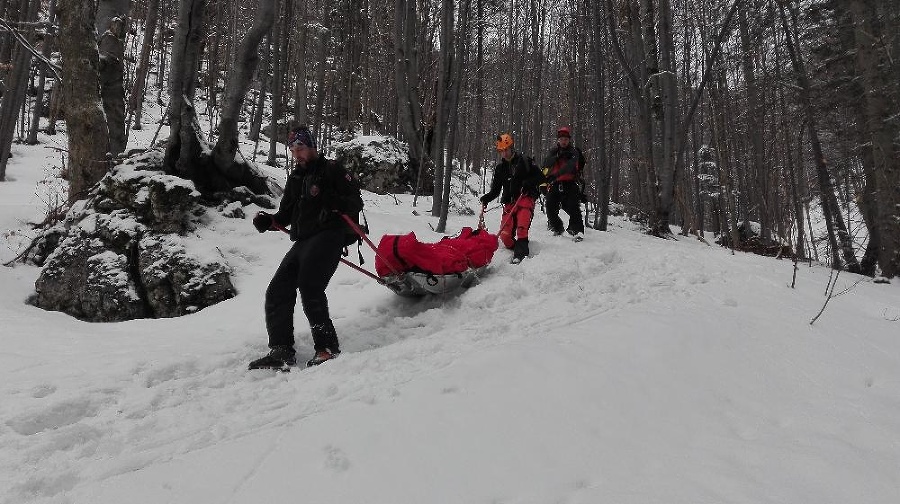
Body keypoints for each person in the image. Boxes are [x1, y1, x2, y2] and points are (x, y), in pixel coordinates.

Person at [248, 125, 364, 370]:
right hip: (303, 240)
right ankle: (281, 350)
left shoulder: (332, 170)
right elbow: (286, 214)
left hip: (329, 236)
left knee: (310, 286)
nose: (296, 153)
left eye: (300, 148)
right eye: (292, 149)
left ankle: (326, 348)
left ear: (312, 147)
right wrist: (270, 221)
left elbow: (356, 202)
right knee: (278, 290)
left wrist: (334, 201)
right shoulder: (296, 177)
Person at [480, 133, 543, 264]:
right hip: (509, 202)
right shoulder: (500, 169)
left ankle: (521, 254)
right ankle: (518, 246)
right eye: (501, 151)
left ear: (511, 148)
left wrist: (528, 183)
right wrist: (486, 198)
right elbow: (496, 191)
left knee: (522, 226)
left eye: (506, 150)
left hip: (525, 198)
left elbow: (541, 177)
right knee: (505, 236)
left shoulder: (525, 161)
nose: (504, 154)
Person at [542, 126, 586, 241]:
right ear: (558, 140)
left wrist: (555, 175)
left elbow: (570, 166)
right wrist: (543, 183)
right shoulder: (554, 151)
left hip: (570, 183)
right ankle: (557, 228)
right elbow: (546, 165)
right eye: (561, 139)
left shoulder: (574, 152)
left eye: (566, 139)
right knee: (550, 206)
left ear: (569, 140)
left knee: (573, 207)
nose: (563, 141)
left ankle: (578, 231)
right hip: (556, 184)